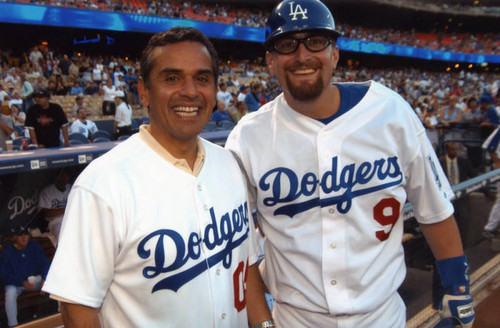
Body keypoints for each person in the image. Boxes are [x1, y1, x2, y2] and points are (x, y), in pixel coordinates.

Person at [225, 1, 474, 327]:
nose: (302, 55)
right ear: (270, 61)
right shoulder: (248, 136)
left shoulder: (390, 111)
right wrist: (261, 322)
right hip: (295, 319)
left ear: (335, 54)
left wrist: (456, 282)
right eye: (287, 45)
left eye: (315, 41)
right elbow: (238, 249)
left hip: (383, 315)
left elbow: (434, 206)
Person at [42, 26, 273, 328]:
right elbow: (77, 306)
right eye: (172, 78)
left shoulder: (229, 163)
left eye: (202, 78)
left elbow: (246, 265)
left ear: (215, 90)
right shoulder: (102, 184)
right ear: (143, 90)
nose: (190, 91)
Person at [0, 225, 50, 327]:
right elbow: (4, 276)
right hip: (16, 284)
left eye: (26, 234)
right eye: (20, 235)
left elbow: (45, 264)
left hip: (33, 281)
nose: (24, 237)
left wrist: (45, 279)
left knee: (52, 282)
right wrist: (22, 282)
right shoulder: (6, 252)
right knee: (10, 292)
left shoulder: (35, 246)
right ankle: (13, 325)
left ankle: (60, 314)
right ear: (14, 237)